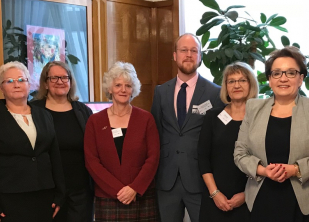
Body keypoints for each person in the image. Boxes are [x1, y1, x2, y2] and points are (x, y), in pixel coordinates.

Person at [234, 46, 309, 222]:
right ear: (270, 80)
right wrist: (263, 170)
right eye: (277, 73)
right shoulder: (254, 108)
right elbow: (240, 153)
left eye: (291, 73)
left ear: (301, 78)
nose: (283, 78)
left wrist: (296, 169)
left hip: (305, 201)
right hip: (262, 197)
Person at [0, 61, 66, 222]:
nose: (16, 85)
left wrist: (60, 193)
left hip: (45, 194)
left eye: (21, 80)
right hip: (10, 198)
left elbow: (54, 156)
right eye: (9, 81)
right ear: (1, 87)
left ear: (29, 83)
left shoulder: (44, 115)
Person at [150, 33, 223, 222]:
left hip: (200, 180)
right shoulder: (160, 92)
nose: (188, 55)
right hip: (167, 180)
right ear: (175, 55)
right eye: (183, 50)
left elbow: (218, 139)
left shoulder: (214, 93)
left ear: (200, 56)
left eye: (193, 51)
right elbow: (154, 133)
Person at [84, 62, 160, 221]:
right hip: (108, 197)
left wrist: (134, 188)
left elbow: (153, 158)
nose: (123, 90)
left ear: (134, 89)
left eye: (128, 85)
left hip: (140, 196)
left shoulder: (146, 119)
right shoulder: (95, 121)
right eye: (118, 85)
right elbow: (92, 161)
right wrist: (118, 190)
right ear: (109, 89)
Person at [31, 61, 94, 222]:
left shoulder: (82, 110)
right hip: (47, 189)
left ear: (71, 82)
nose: (60, 82)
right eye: (54, 78)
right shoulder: (33, 110)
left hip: (80, 191)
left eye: (65, 77)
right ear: (45, 83)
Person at [197, 62, 259, 222]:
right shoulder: (213, 116)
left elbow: (266, 160)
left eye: (242, 80)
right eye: (231, 81)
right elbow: (203, 157)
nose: (236, 85)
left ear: (251, 84)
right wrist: (215, 193)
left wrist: (246, 195)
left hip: (250, 199)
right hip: (215, 198)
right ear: (225, 86)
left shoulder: (260, 118)